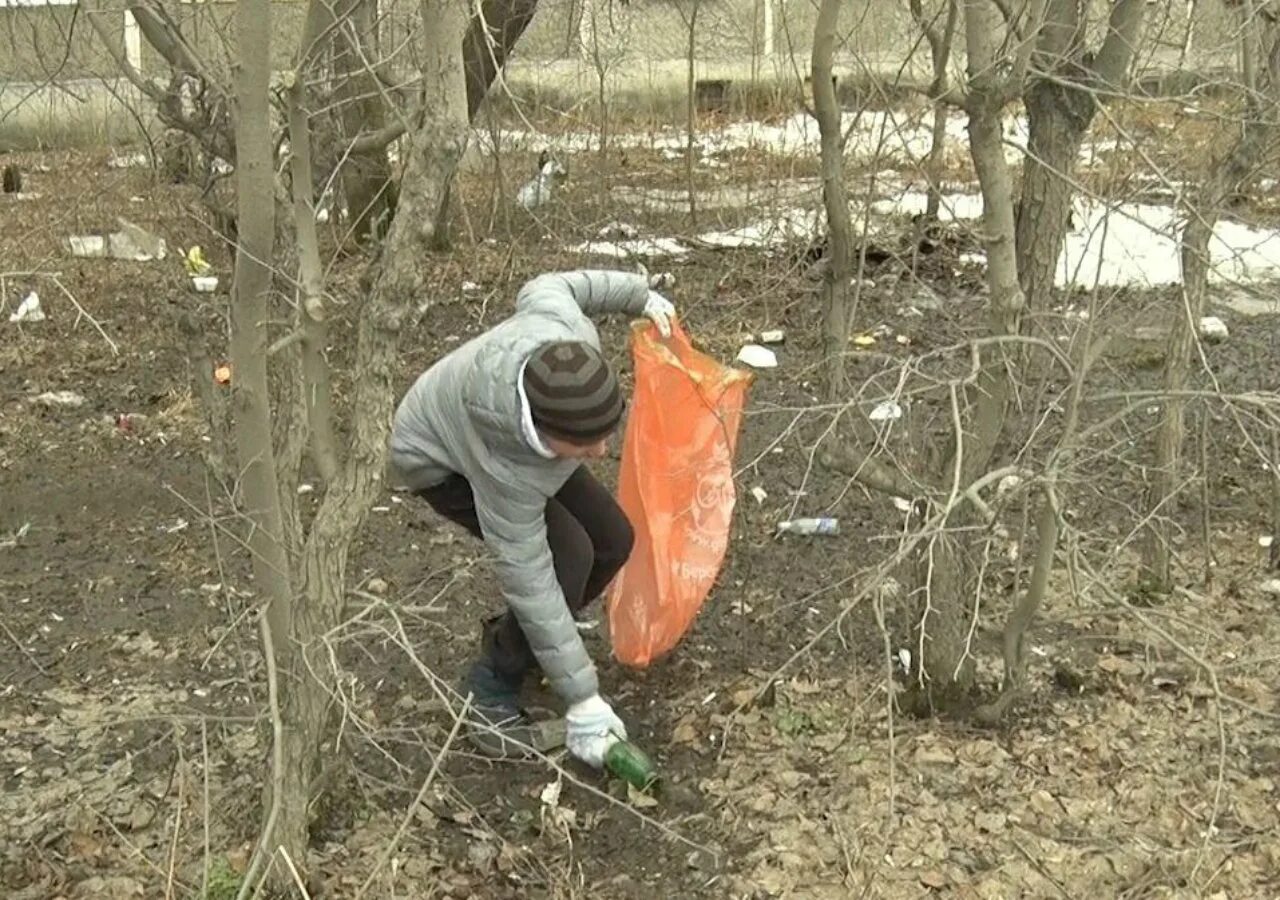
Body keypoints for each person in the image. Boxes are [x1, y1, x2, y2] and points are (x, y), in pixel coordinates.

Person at [388, 269, 676, 770]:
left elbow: (550, 284)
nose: (602, 451)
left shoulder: (567, 334)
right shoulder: (506, 469)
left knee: (613, 539)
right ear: (545, 435)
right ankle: (490, 685)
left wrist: (638, 294)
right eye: (588, 445)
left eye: (605, 434)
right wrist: (583, 697)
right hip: (437, 458)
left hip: (519, 431)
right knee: (567, 558)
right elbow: (528, 575)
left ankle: (527, 638)